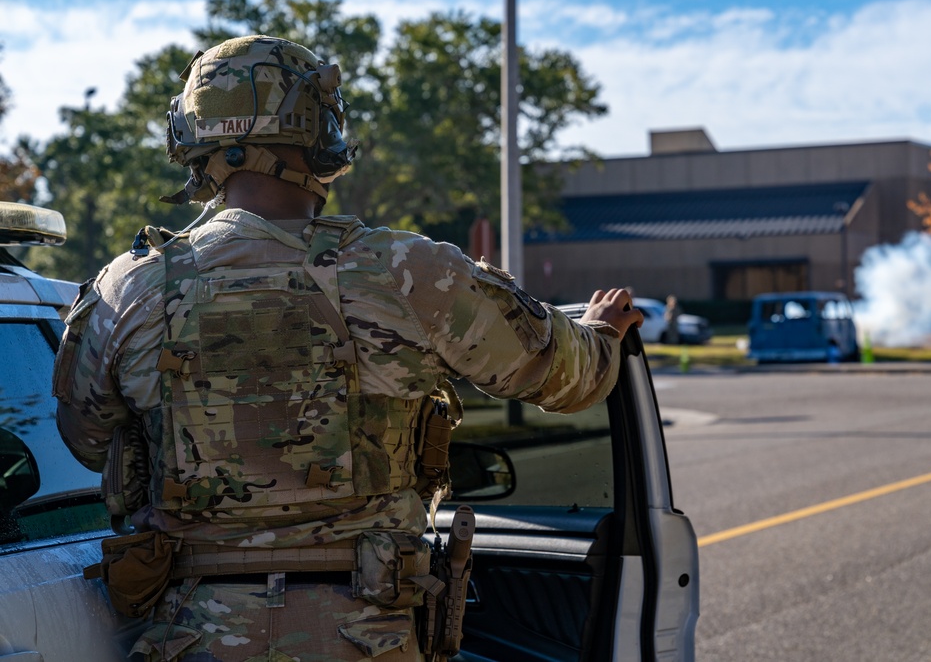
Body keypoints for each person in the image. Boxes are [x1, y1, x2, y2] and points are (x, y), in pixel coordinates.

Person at [53, 35, 642, 662]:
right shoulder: (408, 272)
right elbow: (565, 378)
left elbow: (87, 441)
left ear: (194, 141)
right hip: (367, 631)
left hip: (191, 633)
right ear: (320, 133)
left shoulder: (130, 289)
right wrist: (602, 333)